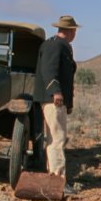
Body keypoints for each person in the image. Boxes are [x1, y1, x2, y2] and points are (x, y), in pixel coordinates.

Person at [34, 15, 80, 186]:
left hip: (56, 99)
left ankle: (53, 177)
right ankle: (58, 181)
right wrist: (56, 92)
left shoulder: (59, 44)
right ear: (71, 31)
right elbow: (49, 70)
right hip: (53, 99)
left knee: (54, 138)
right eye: (74, 31)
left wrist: (69, 103)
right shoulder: (55, 45)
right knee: (57, 139)